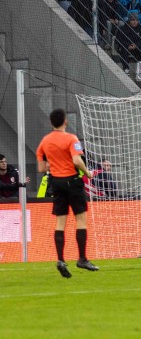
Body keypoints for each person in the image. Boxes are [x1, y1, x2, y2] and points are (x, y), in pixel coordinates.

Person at [35, 108, 98, 277]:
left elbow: (41, 168)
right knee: (81, 219)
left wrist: (55, 164)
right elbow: (77, 160)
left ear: (51, 122)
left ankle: (61, 260)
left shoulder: (44, 141)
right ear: (65, 121)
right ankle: (82, 259)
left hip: (56, 183)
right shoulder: (71, 138)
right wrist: (88, 173)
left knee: (60, 222)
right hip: (72, 181)